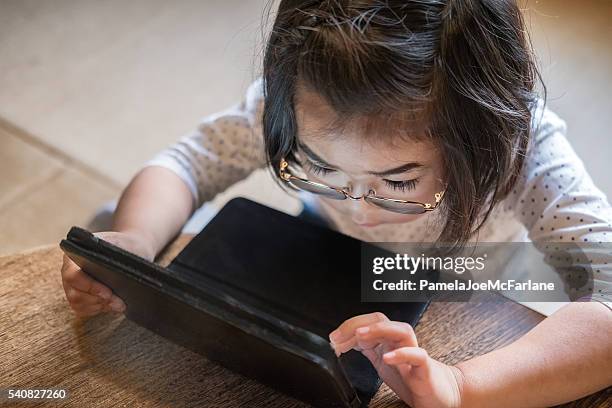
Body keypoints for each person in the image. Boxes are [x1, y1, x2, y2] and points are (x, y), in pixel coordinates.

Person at [60, 1, 612, 406]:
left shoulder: (523, 151)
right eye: (319, 167)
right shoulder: (300, 101)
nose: (362, 208)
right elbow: (190, 161)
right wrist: (134, 240)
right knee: (123, 220)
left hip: (458, 293)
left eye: (398, 183)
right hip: (319, 265)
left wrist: (463, 384)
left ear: (483, 138)